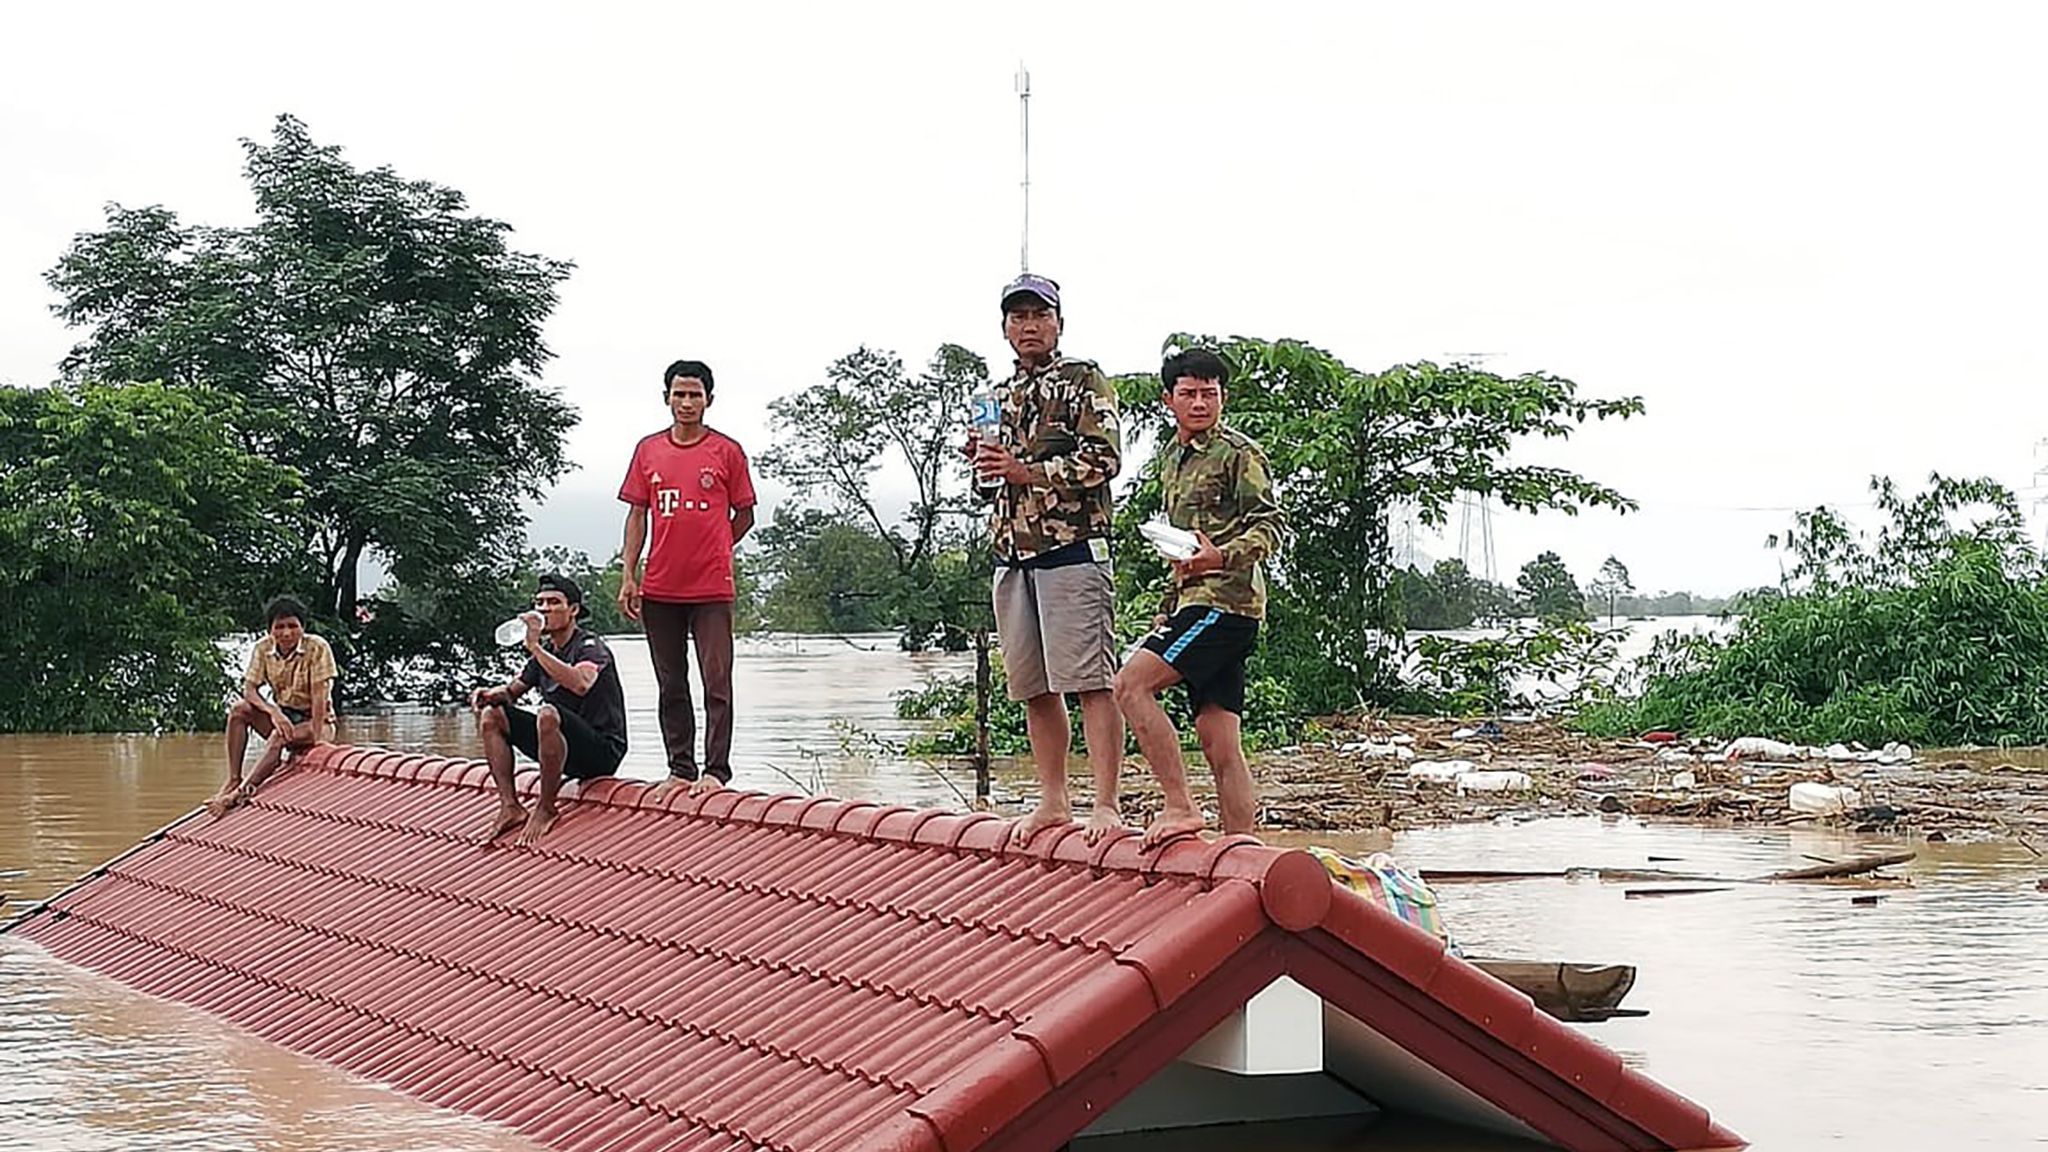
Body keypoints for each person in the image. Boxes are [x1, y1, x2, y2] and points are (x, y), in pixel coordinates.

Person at [969, 273, 1126, 844]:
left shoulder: (1085, 380)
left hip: (1072, 551)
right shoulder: (995, 396)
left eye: (1039, 315)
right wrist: (984, 465)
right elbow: (987, 488)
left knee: (1091, 681)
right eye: (1018, 317)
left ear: (1059, 322)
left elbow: (1105, 460)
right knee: (1033, 687)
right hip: (1012, 555)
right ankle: (1054, 799)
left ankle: (1106, 803)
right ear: (1005, 328)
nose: (1029, 325)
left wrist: (1026, 470)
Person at [1112, 348, 1286, 848]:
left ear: (1223, 398)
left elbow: (1271, 525)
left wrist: (1221, 557)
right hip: (1192, 603)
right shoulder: (1171, 459)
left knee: (1130, 686)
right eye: (1188, 393)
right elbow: (1181, 545)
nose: (1200, 402)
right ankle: (1242, 851)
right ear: (1169, 400)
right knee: (1219, 741)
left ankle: (1180, 806)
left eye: (1209, 393)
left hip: (1225, 604)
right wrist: (1166, 610)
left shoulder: (1239, 453)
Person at [617, 359, 757, 795]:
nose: (687, 402)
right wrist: (629, 573)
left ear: (709, 400)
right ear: (667, 399)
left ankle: (716, 772)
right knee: (670, 683)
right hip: (660, 587)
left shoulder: (727, 451)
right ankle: (680, 769)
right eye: (679, 394)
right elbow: (637, 514)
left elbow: (746, 514)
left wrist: (717, 547)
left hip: (712, 587)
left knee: (717, 681)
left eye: (695, 394)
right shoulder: (648, 451)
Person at [470, 574, 630, 844]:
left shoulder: (590, 647)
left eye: (554, 602)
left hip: (601, 751)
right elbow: (512, 692)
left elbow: (581, 683)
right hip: (561, 745)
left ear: (574, 610)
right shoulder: (544, 653)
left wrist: (534, 648)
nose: (544, 609)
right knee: (493, 715)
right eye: (540, 603)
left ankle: (546, 807)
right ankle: (510, 806)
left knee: (547, 712)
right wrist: (489, 695)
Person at [208, 596, 336, 818]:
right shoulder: (263, 648)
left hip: (316, 720)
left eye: (292, 626)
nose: (286, 633)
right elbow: (249, 689)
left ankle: (239, 794)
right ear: (270, 630)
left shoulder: (317, 648)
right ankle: (233, 778)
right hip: (283, 716)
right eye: (280, 627)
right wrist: (273, 712)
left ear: (302, 628)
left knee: (278, 737)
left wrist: (317, 739)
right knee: (239, 710)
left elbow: (319, 697)